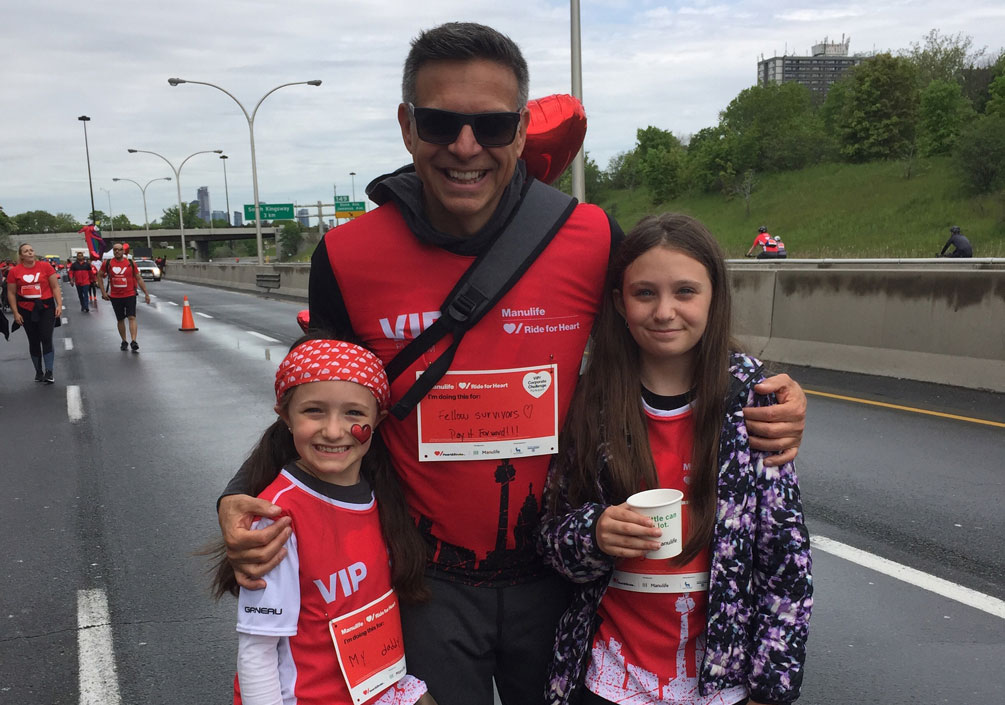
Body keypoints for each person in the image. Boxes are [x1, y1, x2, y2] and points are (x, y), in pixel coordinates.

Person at [217, 22, 807, 705]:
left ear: (521, 131)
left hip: (561, 578)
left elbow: (662, 331)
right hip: (424, 580)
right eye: (441, 122)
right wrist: (242, 492)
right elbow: (314, 400)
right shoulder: (346, 256)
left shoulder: (586, 236)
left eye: (492, 126)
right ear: (407, 126)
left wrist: (766, 394)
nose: (465, 147)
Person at [537, 213, 812, 705]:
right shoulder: (590, 400)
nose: (665, 311)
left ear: (714, 298)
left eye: (685, 292)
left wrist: (769, 690)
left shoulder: (755, 400)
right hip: (609, 676)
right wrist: (595, 533)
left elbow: (785, 562)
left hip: (721, 683)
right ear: (621, 303)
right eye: (645, 293)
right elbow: (552, 536)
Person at [207, 335, 433, 705]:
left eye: (354, 414)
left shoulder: (384, 496)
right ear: (285, 417)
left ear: (379, 420)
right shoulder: (277, 518)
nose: (333, 430)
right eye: (314, 411)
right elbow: (257, 651)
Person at [6, 243, 62, 383]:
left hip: (45, 307)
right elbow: (11, 293)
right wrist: (15, 312)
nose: (30, 253)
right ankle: (38, 371)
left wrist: (59, 304)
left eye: (31, 250)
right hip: (26, 309)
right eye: (26, 251)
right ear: (21, 255)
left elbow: (55, 287)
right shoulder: (14, 271)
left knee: (46, 337)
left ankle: (49, 372)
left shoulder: (45, 267)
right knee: (34, 340)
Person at [98, 243, 150, 352]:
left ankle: (134, 341)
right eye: (115, 250)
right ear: (113, 251)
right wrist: (103, 292)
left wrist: (146, 293)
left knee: (132, 317)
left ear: (123, 251)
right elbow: (99, 276)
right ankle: (124, 340)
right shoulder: (107, 263)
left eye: (120, 250)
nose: (117, 252)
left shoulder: (130, 263)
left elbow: (138, 278)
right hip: (116, 296)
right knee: (120, 319)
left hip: (130, 294)